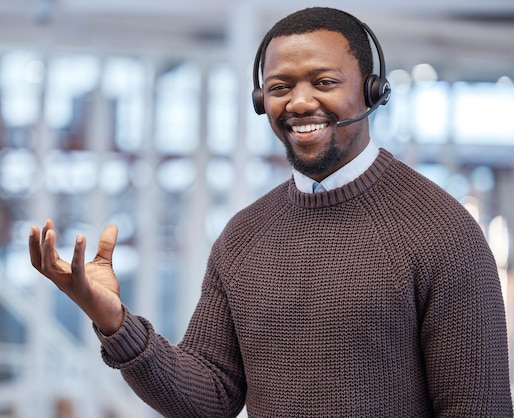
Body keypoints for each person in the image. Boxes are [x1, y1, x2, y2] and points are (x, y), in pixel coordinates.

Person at [29, 7, 513, 417]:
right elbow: (211, 395)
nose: (300, 102)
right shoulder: (244, 235)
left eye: (324, 81)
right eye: (280, 86)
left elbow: (478, 407)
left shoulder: (444, 231)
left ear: (371, 91)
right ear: (262, 101)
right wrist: (115, 323)